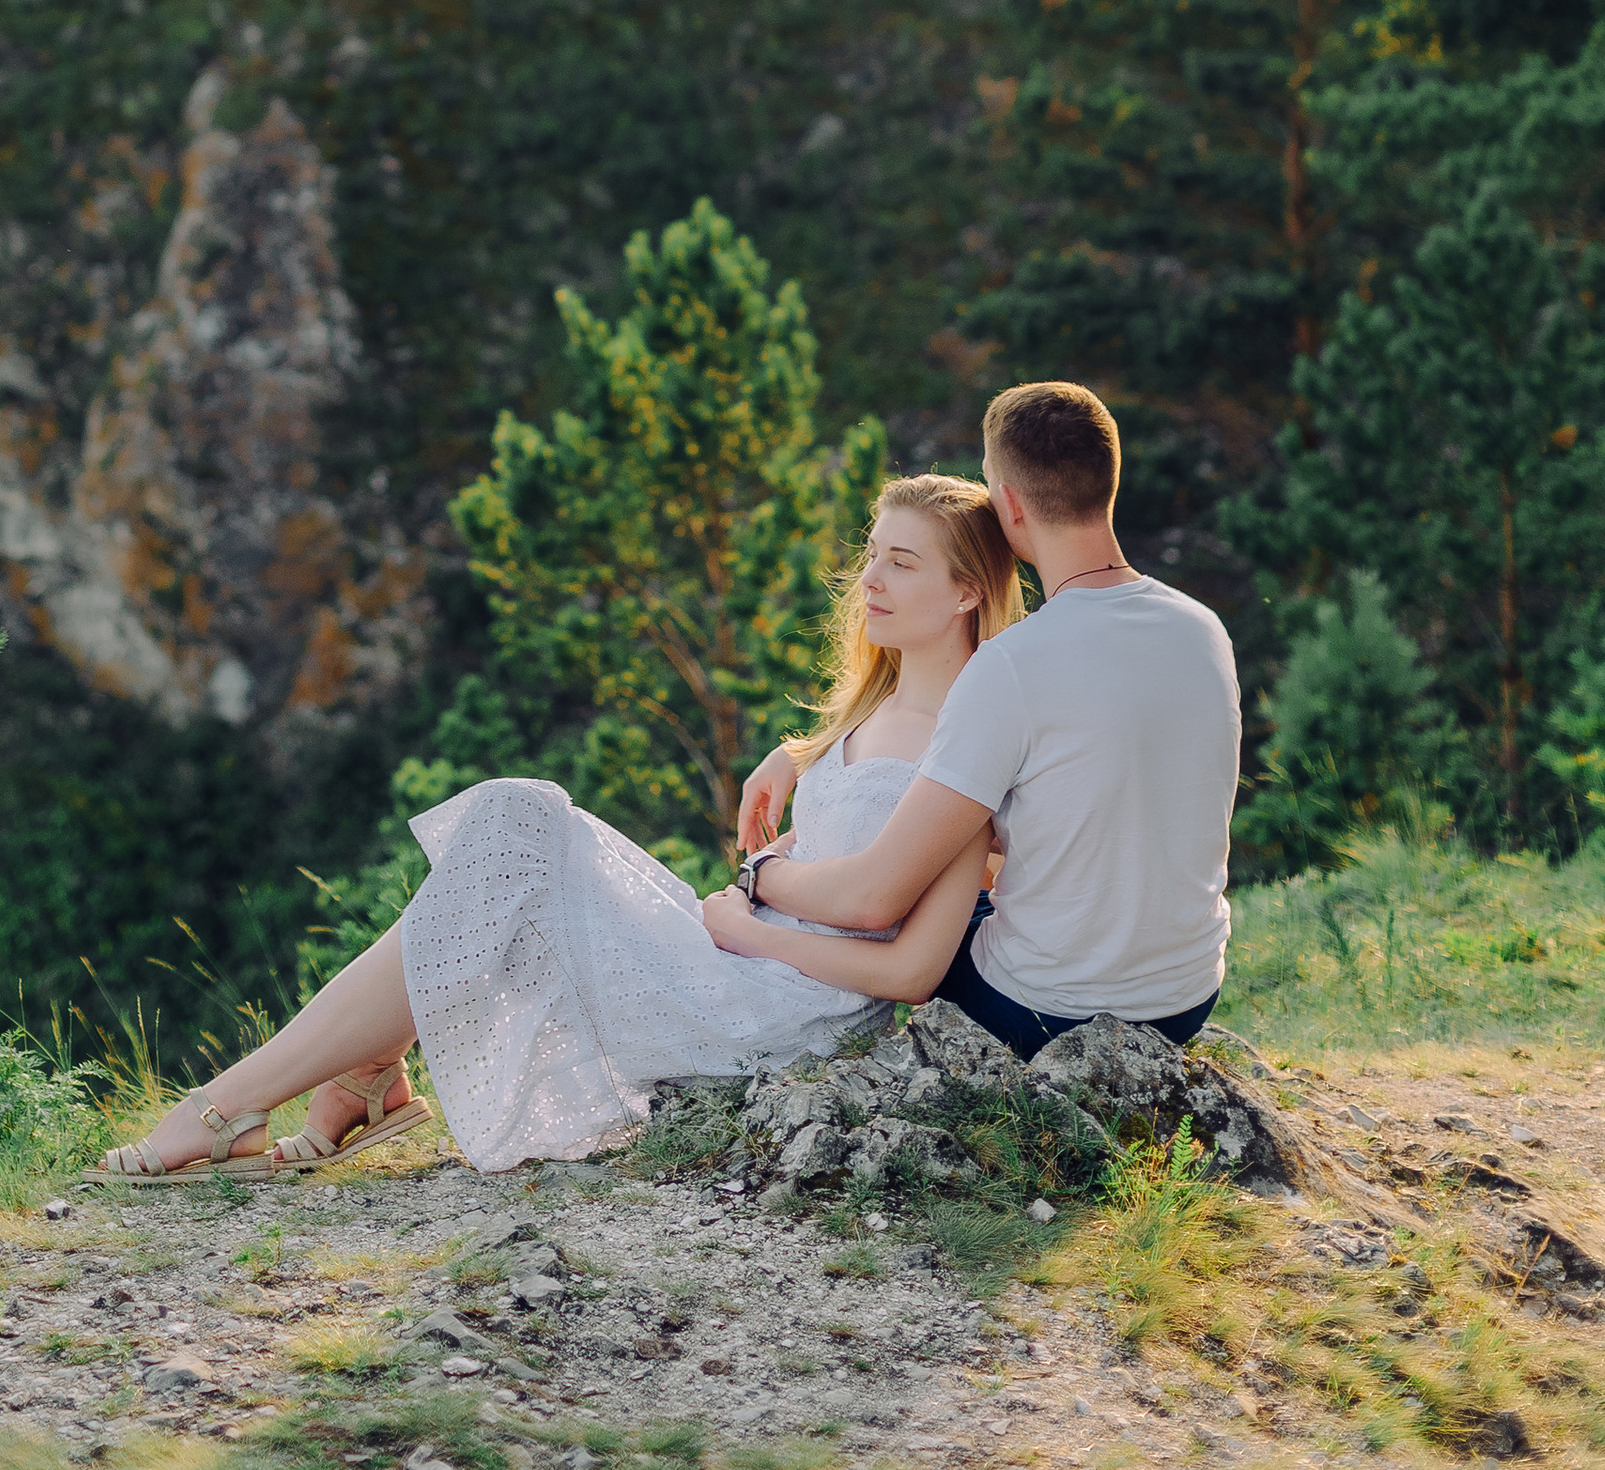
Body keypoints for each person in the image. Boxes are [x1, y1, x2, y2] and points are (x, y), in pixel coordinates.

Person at [101, 472, 1021, 1184]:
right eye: (872, 553)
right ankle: (349, 1078)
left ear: (969, 590)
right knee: (517, 811)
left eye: (902, 562)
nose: (869, 579)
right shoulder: (866, 713)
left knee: (519, 827)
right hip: (734, 959)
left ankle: (247, 1100)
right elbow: (831, 826)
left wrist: (749, 908)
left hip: (773, 1008)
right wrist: (805, 756)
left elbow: (912, 971)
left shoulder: (966, 746)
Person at [710, 380, 1239, 1054]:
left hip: (1045, 1010)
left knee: (895, 908)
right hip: (1187, 996)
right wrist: (801, 755)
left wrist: (760, 877)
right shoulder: (1203, 631)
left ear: (1010, 503)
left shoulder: (1012, 664)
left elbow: (874, 896)